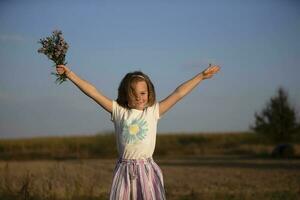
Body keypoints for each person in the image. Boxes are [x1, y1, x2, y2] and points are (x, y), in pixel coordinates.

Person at [56, 64, 220, 199]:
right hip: (124, 171)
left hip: (147, 171)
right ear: (125, 95)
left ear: (149, 93)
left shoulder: (153, 112)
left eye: (142, 93)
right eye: (133, 93)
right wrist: (70, 74)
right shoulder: (119, 112)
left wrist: (201, 76)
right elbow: (94, 93)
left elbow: (179, 93)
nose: (139, 97)